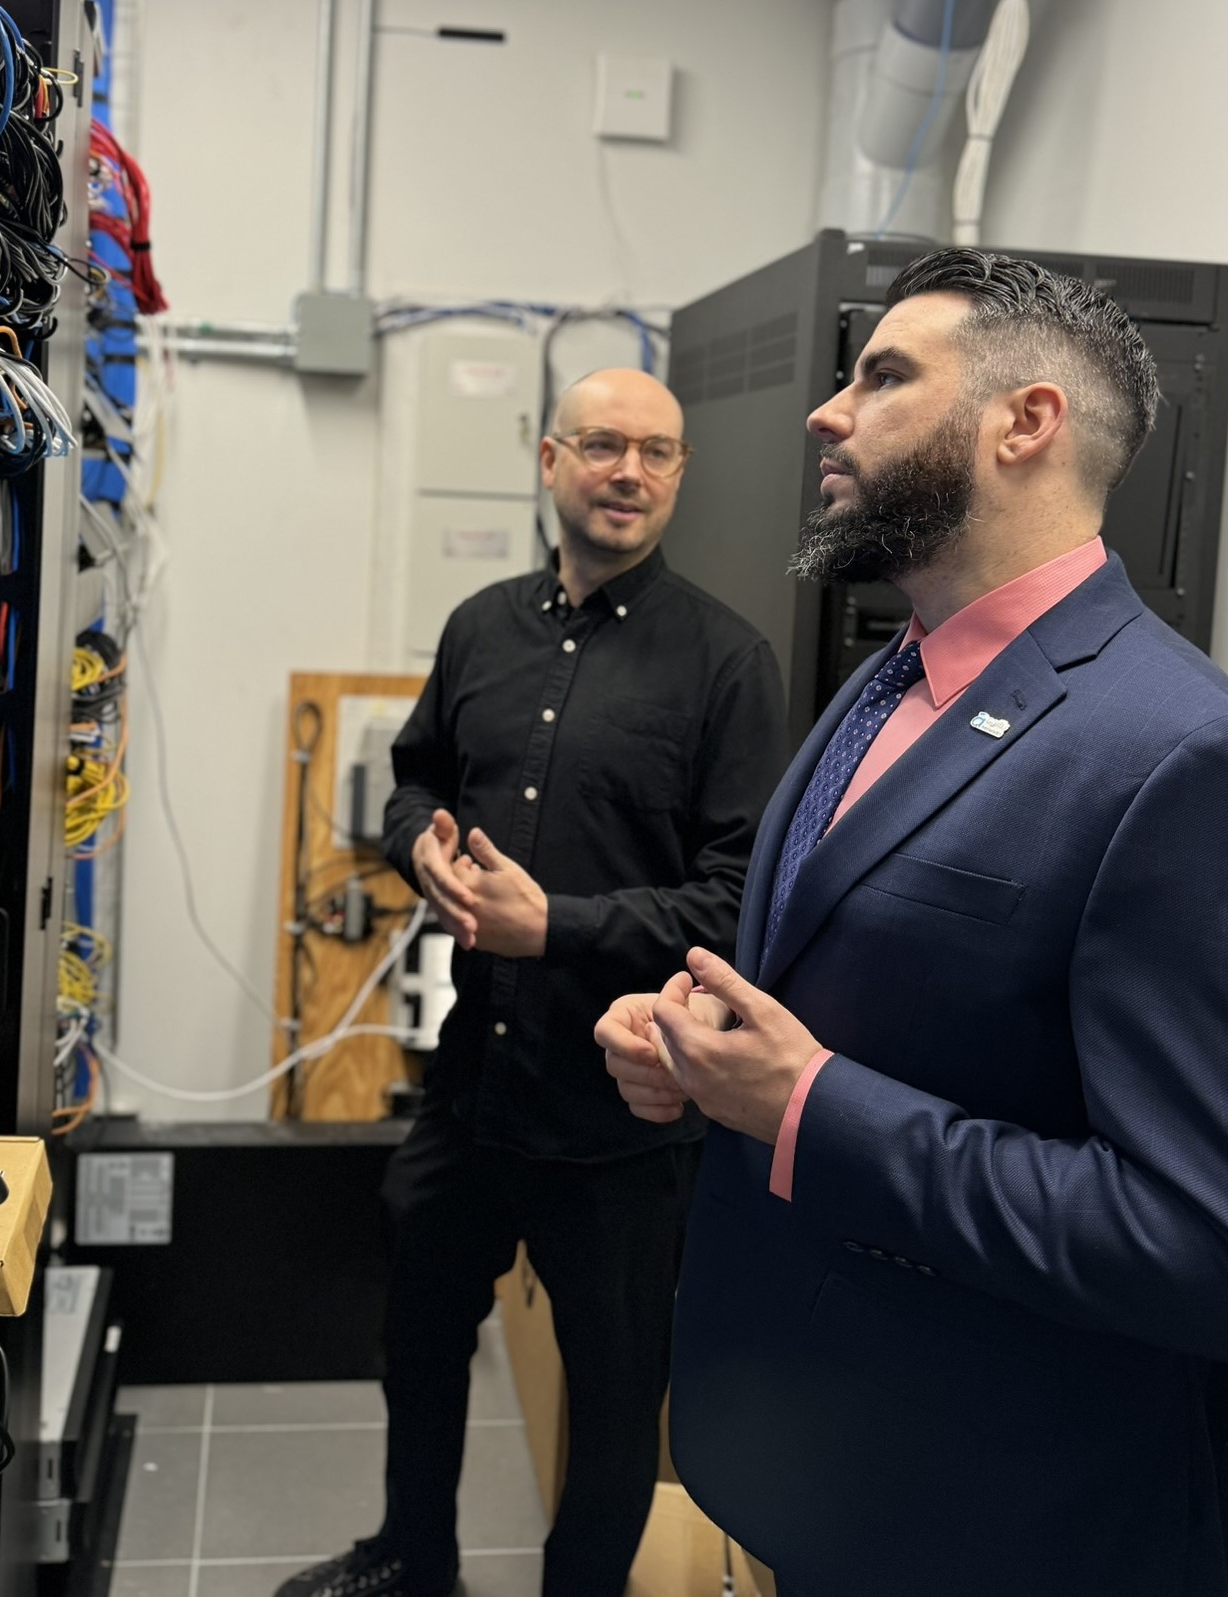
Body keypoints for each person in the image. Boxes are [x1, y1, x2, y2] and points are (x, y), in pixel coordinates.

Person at [597, 248, 1228, 1597]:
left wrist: (807, 1107)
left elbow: (1195, 1239)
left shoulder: (1178, 752)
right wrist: (701, 1053)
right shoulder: (890, 677)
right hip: (816, 1458)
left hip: (991, 1519)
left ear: (1027, 423)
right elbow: (864, 997)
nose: (828, 412)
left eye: (883, 376)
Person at [276, 368, 788, 1597]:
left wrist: (550, 923)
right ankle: (412, 1558)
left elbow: (737, 901)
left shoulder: (727, 663)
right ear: (551, 459)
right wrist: (423, 851)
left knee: (615, 1400)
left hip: (621, 1117)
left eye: (659, 453)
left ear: (677, 477)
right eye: (606, 444)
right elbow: (411, 781)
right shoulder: (479, 629)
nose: (631, 472)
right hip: (472, 1089)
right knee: (418, 1332)